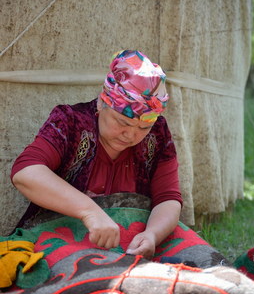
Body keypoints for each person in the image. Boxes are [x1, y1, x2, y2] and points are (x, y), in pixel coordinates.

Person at [11, 50, 183, 260]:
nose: (130, 135)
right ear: (102, 102)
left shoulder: (158, 134)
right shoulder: (70, 122)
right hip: (66, 233)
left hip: (134, 239)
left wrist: (152, 235)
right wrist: (89, 211)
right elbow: (25, 173)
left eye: (143, 128)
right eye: (122, 122)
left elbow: (168, 198)